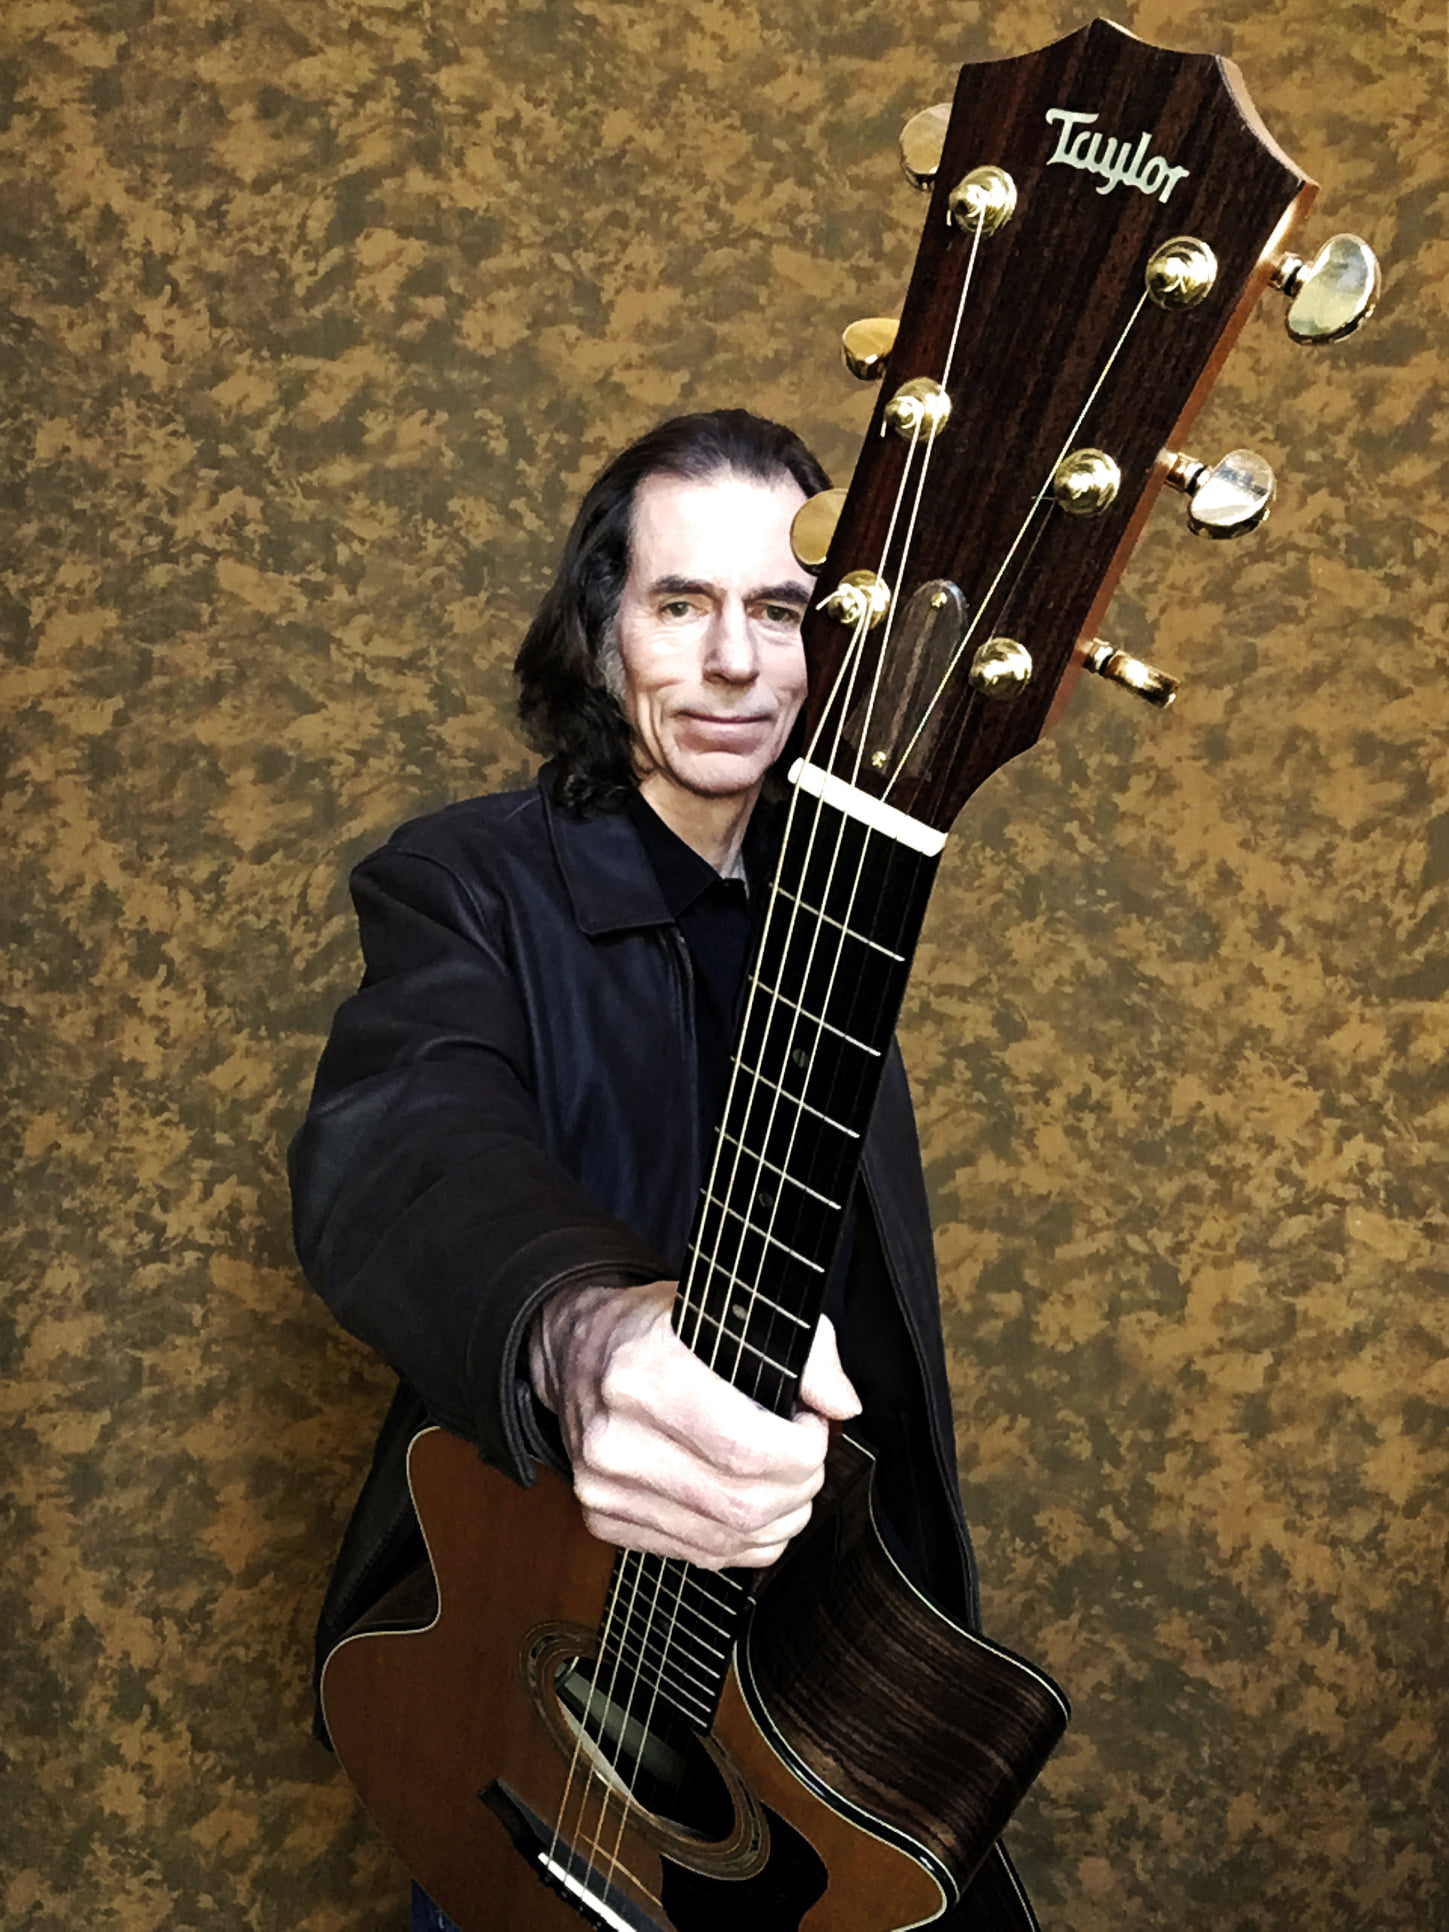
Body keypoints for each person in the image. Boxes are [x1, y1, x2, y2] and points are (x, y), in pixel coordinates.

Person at [289, 408, 1043, 1930]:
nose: (735, 662)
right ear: (601, 633)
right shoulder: (466, 881)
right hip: (537, 1653)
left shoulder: (834, 903)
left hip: (811, 1662)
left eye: (782, 610)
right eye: (680, 603)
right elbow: (399, 1146)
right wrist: (586, 1333)